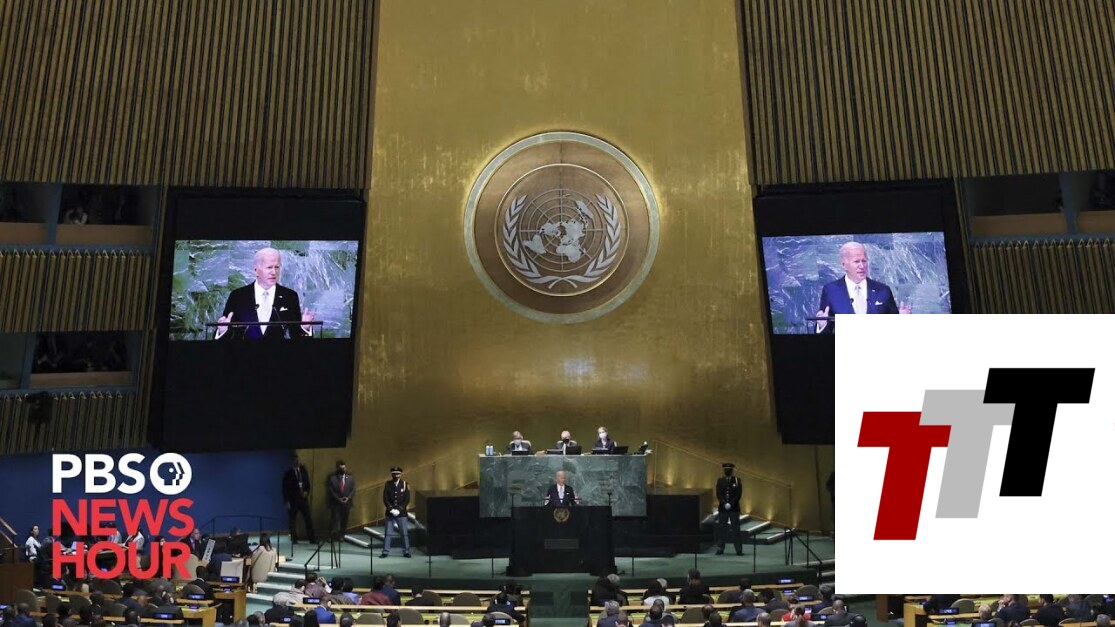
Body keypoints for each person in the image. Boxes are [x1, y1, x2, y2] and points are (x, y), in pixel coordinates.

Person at [214, 247, 315, 340]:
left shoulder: (290, 296)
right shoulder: (238, 296)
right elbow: (228, 333)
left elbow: (296, 335)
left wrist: (304, 328)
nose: (274, 272)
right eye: (269, 267)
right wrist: (222, 332)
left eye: (277, 267)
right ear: (256, 270)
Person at [814, 241, 910, 334]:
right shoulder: (831, 291)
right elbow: (826, 327)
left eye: (864, 261)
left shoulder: (883, 290)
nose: (862, 266)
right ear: (844, 265)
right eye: (856, 261)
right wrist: (822, 326)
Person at [283, 453, 317, 544]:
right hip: (293, 500)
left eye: (298, 460)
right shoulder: (288, 473)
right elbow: (285, 488)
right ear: (292, 462)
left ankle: (312, 538)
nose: (297, 462)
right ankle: (294, 538)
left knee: (308, 518)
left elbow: (308, 484)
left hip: (303, 499)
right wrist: (287, 501)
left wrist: (306, 492)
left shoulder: (303, 471)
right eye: (295, 461)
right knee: (292, 520)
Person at [381, 467, 411, 558]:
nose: (396, 475)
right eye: (394, 474)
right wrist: (391, 509)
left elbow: (407, 499)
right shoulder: (388, 484)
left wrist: (399, 509)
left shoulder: (405, 484)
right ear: (392, 474)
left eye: (397, 474)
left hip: (401, 513)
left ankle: (406, 551)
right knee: (388, 533)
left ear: (400, 474)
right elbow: (385, 498)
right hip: (390, 513)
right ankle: (385, 551)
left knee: (404, 533)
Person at [715, 463, 743, 555]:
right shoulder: (720, 480)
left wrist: (731, 503)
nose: (727, 471)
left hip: (734, 509)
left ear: (732, 470)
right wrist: (724, 503)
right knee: (722, 529)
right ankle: (720, 548)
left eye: (729, 469)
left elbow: (738, 494)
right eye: (726, 469)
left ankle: (738, 549)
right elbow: (718, 494)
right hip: (723, 509)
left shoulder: (737, 480)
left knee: (736, 529)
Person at [327, 460, 354, 539]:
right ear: (338, 468)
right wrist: (338, 499)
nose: (343, 470)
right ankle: (332, 536)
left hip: (347, 503)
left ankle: (341, 535)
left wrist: (348, 498)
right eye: (341, 468)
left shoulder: (350, 478)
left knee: (344, 521)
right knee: (334, 520)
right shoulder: (332, 478)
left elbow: (353, 490)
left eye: (344, 468)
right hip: (336, 503)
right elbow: (331, 491)